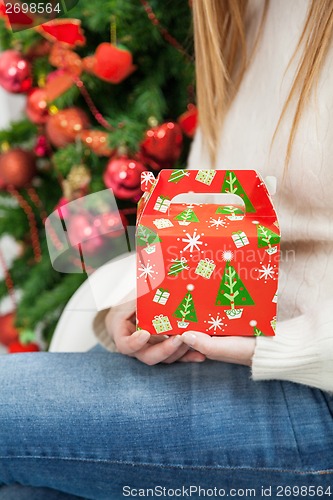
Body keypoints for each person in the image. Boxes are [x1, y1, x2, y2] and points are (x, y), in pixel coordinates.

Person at [1, 0, 333, 498]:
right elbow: (197, 212)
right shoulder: (242, 17)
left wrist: (280, 347)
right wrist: (136, 305)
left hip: (313, 390)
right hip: (217, 353)